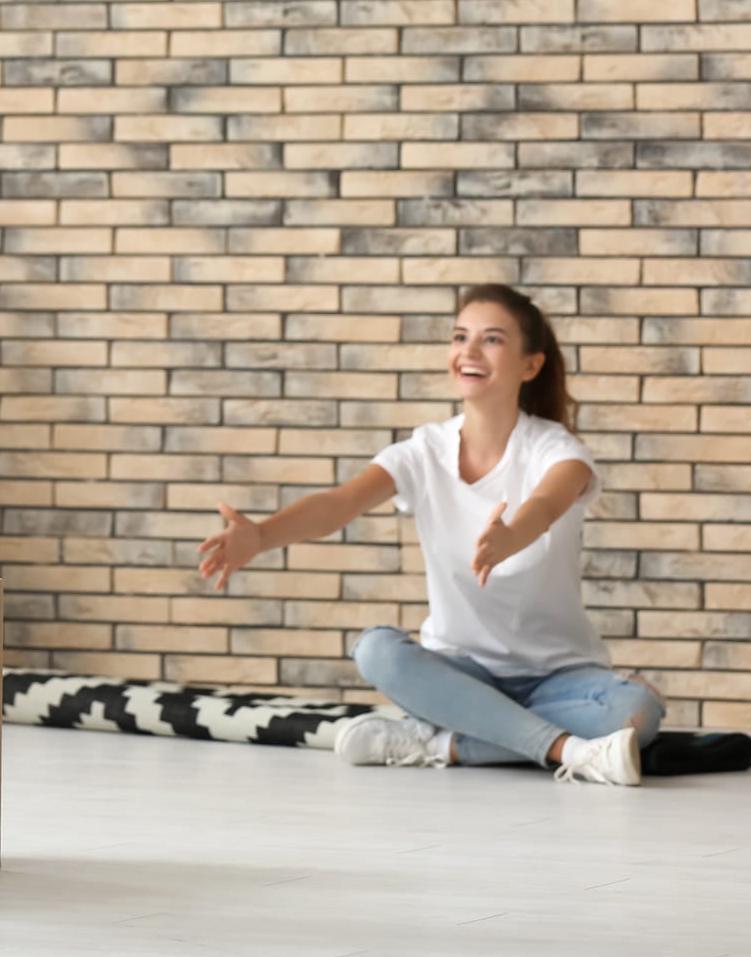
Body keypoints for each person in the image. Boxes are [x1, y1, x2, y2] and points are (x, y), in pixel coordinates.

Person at [198, 285, 662, 787]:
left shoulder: (556, 449)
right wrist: (262, 535)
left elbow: (548, 503)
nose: (469, 351)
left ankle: (443, 743)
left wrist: (512, 536)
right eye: (461, 336)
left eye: (492, 340)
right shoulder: (424, 451)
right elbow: (341, 502)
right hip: (462, 673)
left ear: (531, 365)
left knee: (634, 711)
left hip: (560, 679)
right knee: (375, 649)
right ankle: (568, 748)